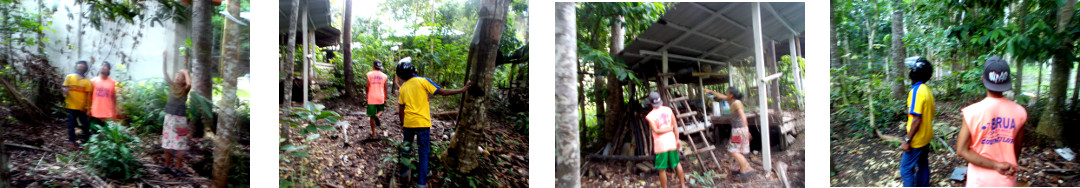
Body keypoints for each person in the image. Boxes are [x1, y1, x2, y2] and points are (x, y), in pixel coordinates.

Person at [395, 59, 471, 188]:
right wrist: (462, 90)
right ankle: (421, 184)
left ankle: (403, 177)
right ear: (414, 70)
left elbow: (401, 108)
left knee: (406, 150)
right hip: (423, 124)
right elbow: (442, 92)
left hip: (408, 124)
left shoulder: (403, 88)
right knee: (423, 153)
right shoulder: (423, 81)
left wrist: (402, 123)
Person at [956, 56, 1026, 187]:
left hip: (979, 181)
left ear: (983, 80)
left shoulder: (972, 112)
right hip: (1006, 178)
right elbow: (1016, 151)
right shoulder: (1020, 112)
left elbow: (961, 150)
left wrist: (996, 165)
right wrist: (1006, 165)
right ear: (1007, 82)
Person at [704, 87, 755, 177]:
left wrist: (747, 131)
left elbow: (743, 116)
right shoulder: (734, 101)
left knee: (733, 151)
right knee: (737, 150)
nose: (726, 95)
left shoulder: (737, 103)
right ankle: (743, 168)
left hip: (739, 130)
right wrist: (710, 91)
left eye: (727, 93)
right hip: (737, 130)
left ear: (731, 95)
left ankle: (747, 168)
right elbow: (721, 96)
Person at [900, 56, 935, 187]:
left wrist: (907, 140)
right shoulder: (927, 89)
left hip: (917, 140)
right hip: (926, 136)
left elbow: (916, 119)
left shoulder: (916, 91)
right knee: (923, 164)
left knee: (906, 169)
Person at [161, 51, 192, 177]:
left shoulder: (185, 89)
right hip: (169, 117)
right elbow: (165, 73)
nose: (177, 77)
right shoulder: (172, 86)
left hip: (180, 119)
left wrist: (186, 72)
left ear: (184, 80)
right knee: (167, 143)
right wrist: (164, 58)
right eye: (177, 75)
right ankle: (167, 166)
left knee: (180, 145)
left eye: (180, 76)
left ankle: (178, 169)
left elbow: (190, 83)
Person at [645, 92, 686, 188]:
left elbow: (656, 130)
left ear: (650, 103)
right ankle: (683, 186)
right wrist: (677, 139)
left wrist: (667, 131)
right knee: (677, 164)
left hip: (660, 145)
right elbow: (675, 125)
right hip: (671, 142)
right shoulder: (668, 110)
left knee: (662, 169)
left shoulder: (650, 116)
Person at [62, 61, 92, 147]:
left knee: (86, 124)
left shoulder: (87, 80)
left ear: (86, 68)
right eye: (80, 64)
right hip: (71, 106)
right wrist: (64, 90)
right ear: (76, 66)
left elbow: (88, 94)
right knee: (71, 124)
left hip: (82, 107)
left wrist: (88, 107)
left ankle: (85, 140)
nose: (81, 66)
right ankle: (72, 141)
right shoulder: (69, 77)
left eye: (83, 65)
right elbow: (64, 87)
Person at [89, 62, 120, 126]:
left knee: (109, 133)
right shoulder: (93, 81)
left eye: (105, 66)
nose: (103, 67)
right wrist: (88, 109)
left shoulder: (113, 83)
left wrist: (114, 112)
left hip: (108, 114)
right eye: (101, 65)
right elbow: (89, 96)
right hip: (95, 113)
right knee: (94, 133)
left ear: (109, 70)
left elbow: (114, 99)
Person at [365, 59, 389, 138]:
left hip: (371, 97)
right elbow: (385, 88)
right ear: (380, 67)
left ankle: (374, 133)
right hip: (380, 97)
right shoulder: (384, 76)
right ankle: (378, 115)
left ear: (373, 66)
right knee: (381, 110)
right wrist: (385, 98)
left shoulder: (369, 74)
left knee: (371, 116)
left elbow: (367, 86)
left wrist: (367, 94)